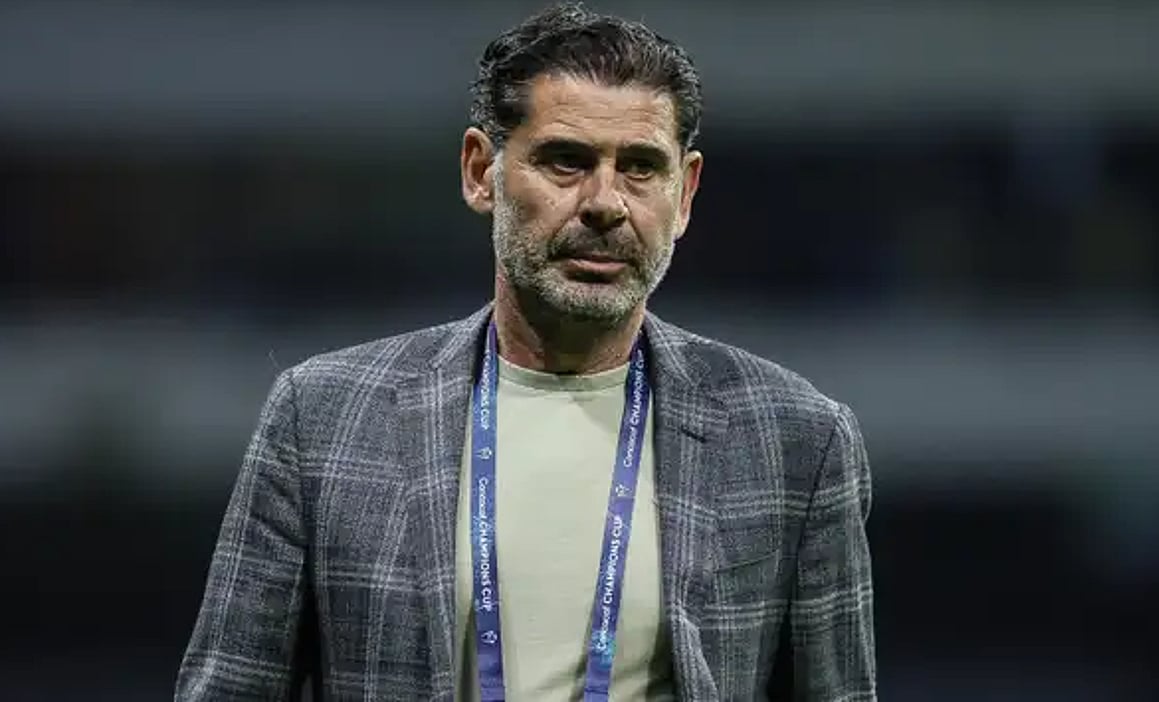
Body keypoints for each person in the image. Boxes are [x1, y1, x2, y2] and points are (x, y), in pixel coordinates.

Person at [175, 3, 875, 700]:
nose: (605, 202)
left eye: (640, 168)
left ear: (685, 192)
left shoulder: (794, 442)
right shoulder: (324, 420)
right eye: (566, 161)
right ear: (482, 171)